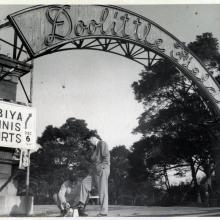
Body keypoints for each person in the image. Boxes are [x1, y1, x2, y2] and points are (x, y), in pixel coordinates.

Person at [88, 136, 110, 217]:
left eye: (90, 141)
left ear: (93, 138)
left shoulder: (102, 143)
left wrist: (103, 166)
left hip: (102, 169)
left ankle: (104, 211)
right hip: (96, 171)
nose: (90, 143)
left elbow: (106, 156)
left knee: (103, 190)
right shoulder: (95, 148)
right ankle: (80, 206)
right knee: (84, 183)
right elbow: (94, 159)